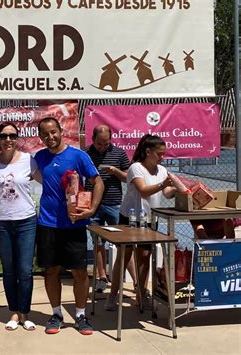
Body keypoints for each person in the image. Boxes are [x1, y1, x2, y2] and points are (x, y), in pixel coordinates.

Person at [35, 117, 104, 335]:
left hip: (74, 225)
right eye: (45, 134)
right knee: (51, 271)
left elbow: (98, 182)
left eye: (53, 132)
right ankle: (56, 314)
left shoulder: (78, 156)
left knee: (80, 272)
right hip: (47, 224)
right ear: (40, 137)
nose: (50, 137)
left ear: (61, 130)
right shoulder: (39, 157)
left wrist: (92, 209)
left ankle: (81, 315)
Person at [105, 134, 177, 311]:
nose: (162, 157)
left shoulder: (161, 170)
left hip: (151, 219)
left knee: (145, 258)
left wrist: (180, 189)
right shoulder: (135, 168)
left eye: (163, 153)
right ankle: (113, 295)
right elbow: (143, 190)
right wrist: (163, 184)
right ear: (147, 151)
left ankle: (141, 293)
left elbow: (167, 193)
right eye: (159, 153)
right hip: (130, 218)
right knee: (124, 256)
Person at [0, 122, 41, 331]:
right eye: (4, 135)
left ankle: (25, 313)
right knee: (9, 270)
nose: (8, 139)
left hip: (26, 222)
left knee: (25, 270)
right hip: (1, 224)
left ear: (17, 138)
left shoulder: (28, 160)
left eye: (12, 136)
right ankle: (14, 313)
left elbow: (48, 182)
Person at [84, 124, 134, 293]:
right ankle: (101, 276)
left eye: (106, 144)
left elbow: (129, 177)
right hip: (92, 204)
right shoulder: (85, 153)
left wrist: (116, 172)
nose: (103, 147)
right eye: (99, 144)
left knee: (124, 242)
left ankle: (135, 281)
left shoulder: (119, 153)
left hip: (114, 203)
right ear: (93, 140)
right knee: (98, 242)